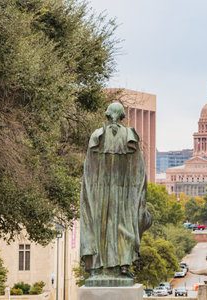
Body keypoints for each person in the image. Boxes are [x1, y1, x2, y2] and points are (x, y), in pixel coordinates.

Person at [80, 102, 152, 286]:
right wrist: (137, 195)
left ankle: (99, 268)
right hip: (124, 193)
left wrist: (90, 193)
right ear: (122, 116)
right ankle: (123, 266)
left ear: (107, 115)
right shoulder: (129, 136)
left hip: (100, 193)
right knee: (123, 227)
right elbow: (140, 173)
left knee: (100, 228)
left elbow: (88, 171)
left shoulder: (97, 136)